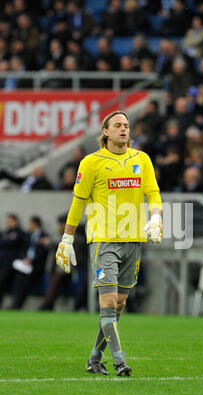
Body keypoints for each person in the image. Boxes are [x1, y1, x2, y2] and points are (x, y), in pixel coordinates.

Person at [55, 110, 163, 377]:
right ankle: (119, 361)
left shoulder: (142, 159)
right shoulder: (91, 163)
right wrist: (67, 238)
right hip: (104, 241)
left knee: (118, 304)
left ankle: (94, 358)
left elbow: (153, 193)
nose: (123, 129)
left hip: (133, 241)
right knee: (109, 299)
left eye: (126, 125)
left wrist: (157, 217)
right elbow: (78, 202)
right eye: (117, 125)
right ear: (105, 131)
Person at [11, 216, 50, 309]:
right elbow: (23, 249)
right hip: (25, 264)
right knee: (19, 281)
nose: (29, 226)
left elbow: (42, 253)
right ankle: (15, 304)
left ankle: (18, 305)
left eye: (30, 224)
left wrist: (31, 260)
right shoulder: (28, 235)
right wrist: (25, 258)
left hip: (36, 266)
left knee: (26, 283)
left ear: (35, 224)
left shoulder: (44, 236)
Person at [0, 214, 26, 308]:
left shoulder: (20, 233)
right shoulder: (5, 232)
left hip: (12, 262)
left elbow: (12, 243)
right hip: (2, 261)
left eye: (10, 221)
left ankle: (15, 305)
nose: (8, 223)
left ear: (15, 221)